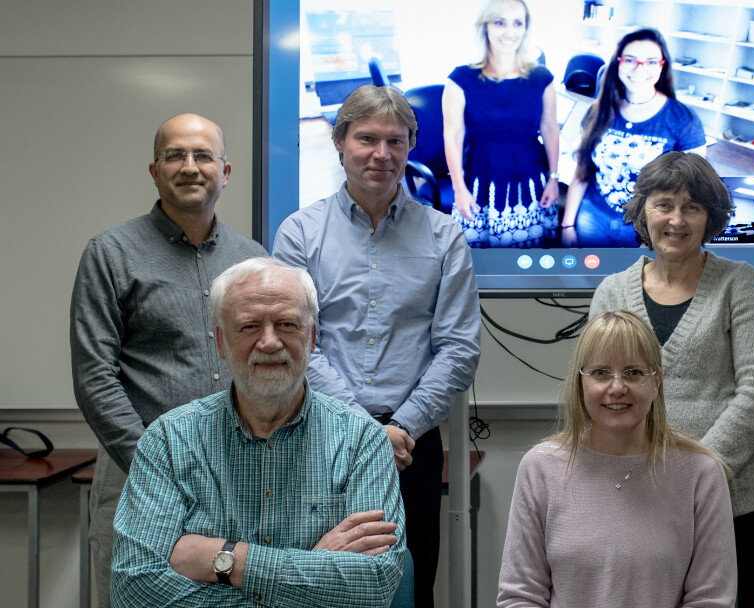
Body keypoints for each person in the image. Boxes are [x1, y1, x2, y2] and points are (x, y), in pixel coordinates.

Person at [272, 84, 482, 608]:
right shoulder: (299, 233)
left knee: (411, 585)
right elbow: (297, 344)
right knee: (317, 584)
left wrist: (401, 427)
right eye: (367, 138)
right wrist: (363, 432)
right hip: (318, 438)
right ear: (340, 141)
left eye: (396, 141)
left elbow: (458, 346)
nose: (381, 154)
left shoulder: (444, 235)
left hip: (411, 444)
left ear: (411, 146)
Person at [111, 258, 406, 607]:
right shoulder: (168, 441)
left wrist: (228, 560)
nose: (269, 342)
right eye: (249, 327)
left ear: (311, 338)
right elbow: (134, 590)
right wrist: (313, 571)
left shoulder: (362, 442)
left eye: (286, 324)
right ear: (221, 343)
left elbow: (374, 585)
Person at [69, 113, 266, 607]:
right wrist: (153, 465)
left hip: (236, 469)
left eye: (203, 156)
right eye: (174, 155)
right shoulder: (111, 253)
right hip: (135, 466)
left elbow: (265, 363)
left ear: (225, 172)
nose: (189, 167)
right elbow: (95, 374)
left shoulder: (252, 260)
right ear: (154, 171)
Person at [589, 151, 754, 608]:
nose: (677, 219)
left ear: (710, 217)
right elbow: (594, 395)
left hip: (732, 506)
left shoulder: (739, 282)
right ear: (642, 211)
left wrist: (698, 472)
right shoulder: (611, 291)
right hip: (634, 499)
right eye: (664, 204)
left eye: (692, 207)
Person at [497, 310, 737, 608]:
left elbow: (711, 600)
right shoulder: (540, 469)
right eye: (601, 373)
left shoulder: (701, 473)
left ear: (656, 381)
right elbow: (520, 597)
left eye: (633, 373)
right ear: (580, 382)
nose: (617, 387)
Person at [562, 28, 707, 247]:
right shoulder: (598, 111)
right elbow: (582, 173)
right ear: (618, 63)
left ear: (662, 66)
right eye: (630, 59)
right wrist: (567, 226)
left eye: (650, 61)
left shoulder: (682, 119)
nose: (639, 69)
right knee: (589, 279)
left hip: (644, 230)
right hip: (592, 217)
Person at [442, 0, 559, 248]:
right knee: (478, 261)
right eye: (499, 22)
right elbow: (453, 136)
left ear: (526, 28)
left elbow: (549, 128)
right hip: (480, 174)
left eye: (518, 23)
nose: (509, 32)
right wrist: (459, 189)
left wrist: (553, 178)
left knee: (529, 256)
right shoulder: (460, 79)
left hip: (530, 175)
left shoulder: (542, 79)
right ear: (485, 27)